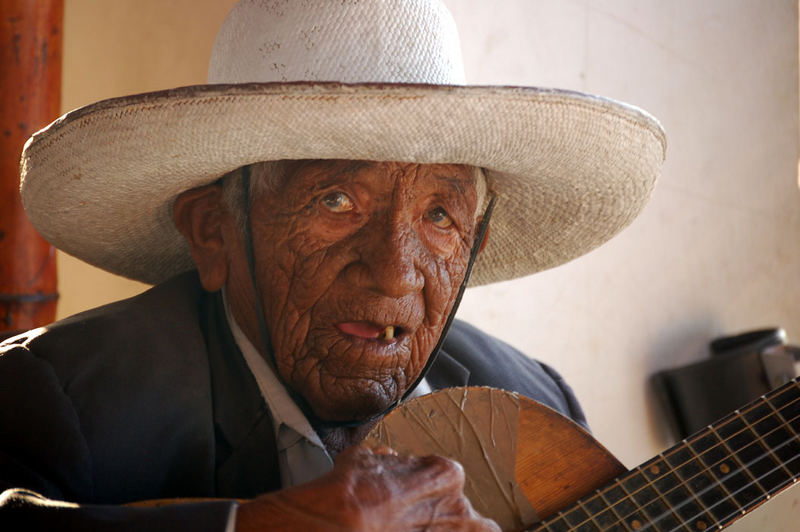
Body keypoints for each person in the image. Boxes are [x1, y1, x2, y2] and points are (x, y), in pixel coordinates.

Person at [0, 0, 664, 530]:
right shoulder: (62, 403)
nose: (394, 273)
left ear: (474, 248)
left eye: (440, 217)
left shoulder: (538, 405)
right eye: (338, 200)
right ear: (212, 232)